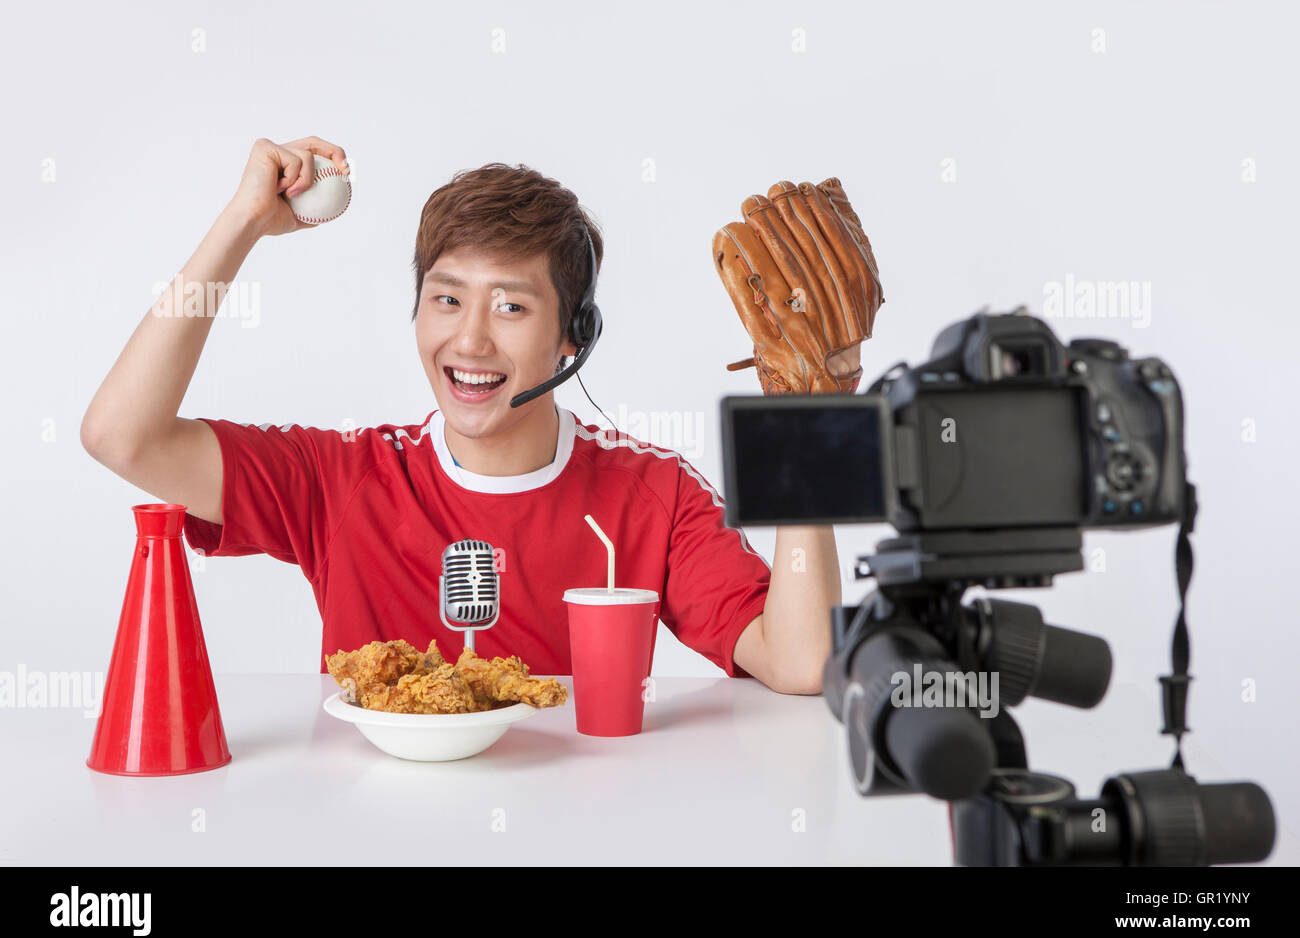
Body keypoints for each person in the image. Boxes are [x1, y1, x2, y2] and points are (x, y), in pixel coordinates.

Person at [81, 136, 852, 694]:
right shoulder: (346, 477)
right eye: (447, 299)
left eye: (512, 305)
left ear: (571, 339)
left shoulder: (651, 493)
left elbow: (800, 661)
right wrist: (241, 222)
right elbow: (122, 435)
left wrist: (812, 429)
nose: (471, 339)